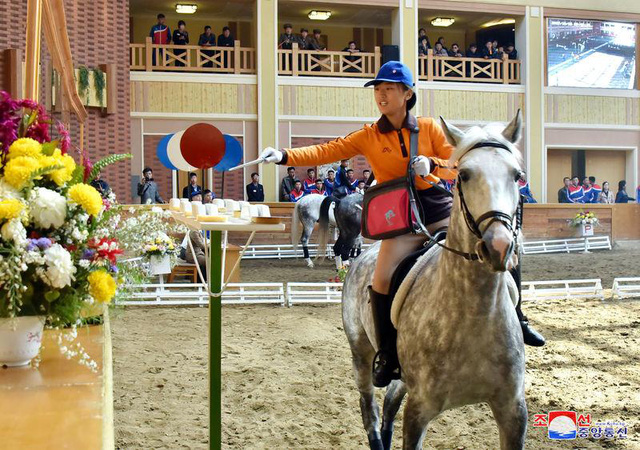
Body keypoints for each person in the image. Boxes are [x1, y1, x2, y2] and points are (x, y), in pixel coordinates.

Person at [259, 61, 544, 386]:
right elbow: (328, 150)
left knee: (505, 244)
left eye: (389, 89)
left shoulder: (430, 128)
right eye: (378, 90)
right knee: (381, 279)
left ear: (407, 94)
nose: (381, 95)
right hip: (399, 217)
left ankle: (519, 319)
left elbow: (459, 166)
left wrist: (432, 164)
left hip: (440, 210)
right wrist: (283, 156)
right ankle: (388, 355)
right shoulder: (368, 135)